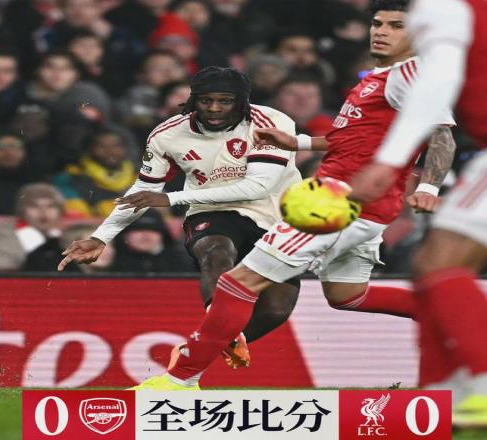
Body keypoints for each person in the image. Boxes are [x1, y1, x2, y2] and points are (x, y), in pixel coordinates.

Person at [114, 0, 459, 391]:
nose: (381, 31)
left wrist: (429, 187)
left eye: (396, 26)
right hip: (367, 210)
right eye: (378, 23)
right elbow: (355, 140)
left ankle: (179, 381)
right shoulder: (377, 78)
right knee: (347, 295)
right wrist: (297, 142)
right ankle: (451, 315)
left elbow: (442, 135)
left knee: (237, 283)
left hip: (336, 205)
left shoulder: (410, 74)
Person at [58, 66, 302, 369]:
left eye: (225, 101)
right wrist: (101, 236)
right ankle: (218, 325)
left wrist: (171, 198)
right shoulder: (167, 135)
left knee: (276, 309)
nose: (214, 108)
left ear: (243, 102)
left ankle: (199, 349)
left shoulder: (272, 123)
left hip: (275, 215)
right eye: (206, 100)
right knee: (215, 251)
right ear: (193, 100)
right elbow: (144, 190)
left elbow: (258, 188)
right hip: (212, 210)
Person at [349, 0, 487, 427]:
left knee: (438, 265)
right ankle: (446, 394)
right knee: (434, 266)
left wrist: (390, 160)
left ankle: (478, 383)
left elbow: (440, 79)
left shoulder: (444, 7)